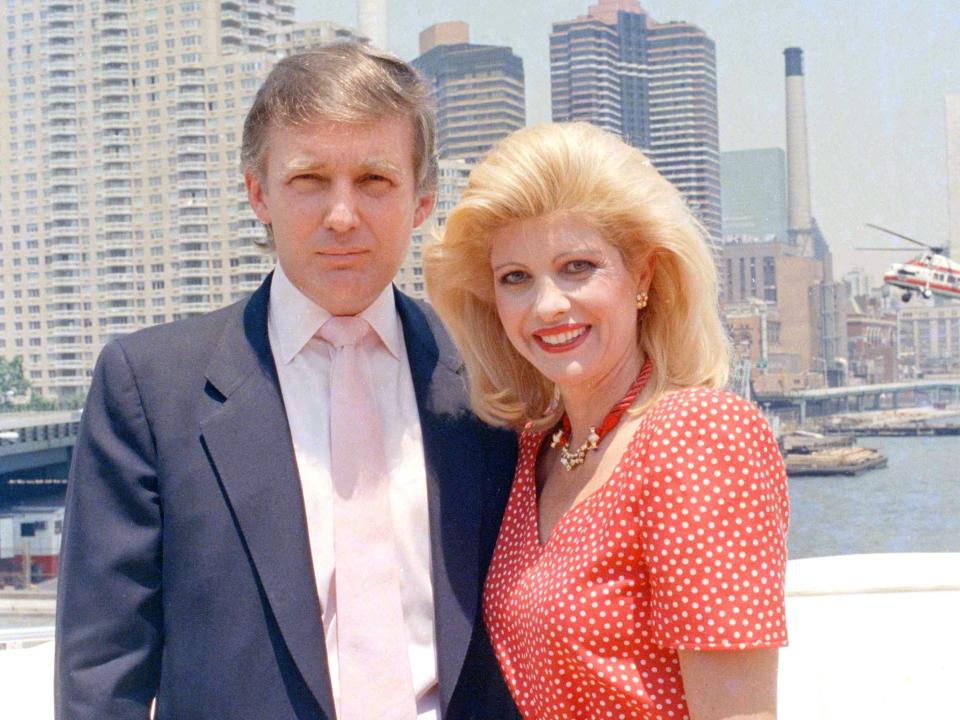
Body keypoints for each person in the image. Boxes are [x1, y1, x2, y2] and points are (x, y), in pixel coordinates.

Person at [55, 44, 520, 720]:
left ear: (422, 200)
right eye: (308, 180)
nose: (341, 216)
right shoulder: (151, 390)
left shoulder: (494, 378)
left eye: (375, 180)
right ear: (258, 193)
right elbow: (103, 673)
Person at [424, 122, 789, 720]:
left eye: (577, 266)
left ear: (642, 275)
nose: (547, 305)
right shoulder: (530, 452)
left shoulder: (698, 438)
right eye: (516, 277)